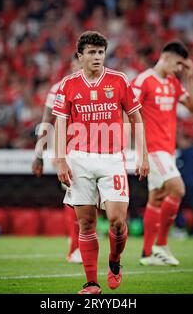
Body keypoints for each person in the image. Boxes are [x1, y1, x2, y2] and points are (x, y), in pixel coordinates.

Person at [53, 31, 149, 294]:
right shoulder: (68, 84)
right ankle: (92, 282)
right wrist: (60, 160)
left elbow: (136, 118)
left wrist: (143, 154)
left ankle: (115, 260)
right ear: (80, 56)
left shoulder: (119, 80)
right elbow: (60, 124)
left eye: (100, 52)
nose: (97, 57)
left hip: (112, 159)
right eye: (92, 52)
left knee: (117, 222)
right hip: (79, 159)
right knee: (86, 224)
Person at [131, 42, 193, 266]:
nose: (180, 68)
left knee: (157, 198)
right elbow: (127, 110)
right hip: (153, 149)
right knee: (178, 189)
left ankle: (147, 254)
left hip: (168, 151)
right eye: (179, 64)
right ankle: (161, 245)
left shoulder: (173, 83)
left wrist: (189, 78)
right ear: (166, 57)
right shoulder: (143, 80)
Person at [32, 54, 82, 264]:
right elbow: (46, 121)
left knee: (89, 200)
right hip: (68, 151)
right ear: (74, 63)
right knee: (75, 198)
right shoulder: (59, 88)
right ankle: (74, 249)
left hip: (93, 150)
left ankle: (81, 246)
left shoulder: (99, 88)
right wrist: (39, 155)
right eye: (79, 62)